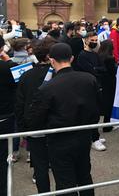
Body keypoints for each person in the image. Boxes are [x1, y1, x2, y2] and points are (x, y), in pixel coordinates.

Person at [26, 43, 100, 196]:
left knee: (65, 182)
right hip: (83, 136)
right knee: (85, 177)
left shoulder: (47, 88)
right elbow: (96, 109)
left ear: (51, 61)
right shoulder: (89, 79)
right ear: (72, 58)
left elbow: (35, 119)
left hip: (59, 140)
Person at [15, 38, 57, 193]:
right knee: (60, 166)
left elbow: (19, 103)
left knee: (40, 167)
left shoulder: (26, 76)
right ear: (49, 56)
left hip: (34, 127)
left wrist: (22, 128)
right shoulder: (58, 74)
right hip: (55, 126)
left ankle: (43, 192)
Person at [74, 32, 106, 151]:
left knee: (96, 112)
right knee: (91, 113)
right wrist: (96, 69)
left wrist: (96, 69)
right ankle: (94, 139)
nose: (94, 42)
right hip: (88, 87)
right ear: (86, 40)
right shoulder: (82, 55)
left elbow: (102, 69)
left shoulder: (95, 54)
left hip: (97, 85)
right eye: (92, 40)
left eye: (96, 40)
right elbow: (91, 71)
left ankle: (95, 135)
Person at [0, 36, 18, 196]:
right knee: (2, 159)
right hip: (5, 117)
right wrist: (8, 60)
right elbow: (22, 80)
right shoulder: (8, 67)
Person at [97, 40, 117, 132]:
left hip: (101, 82)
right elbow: (112, 72)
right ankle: (107, 125)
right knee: (109, 103)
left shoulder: (98, 56)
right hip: (110, 82)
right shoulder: (110, 58)